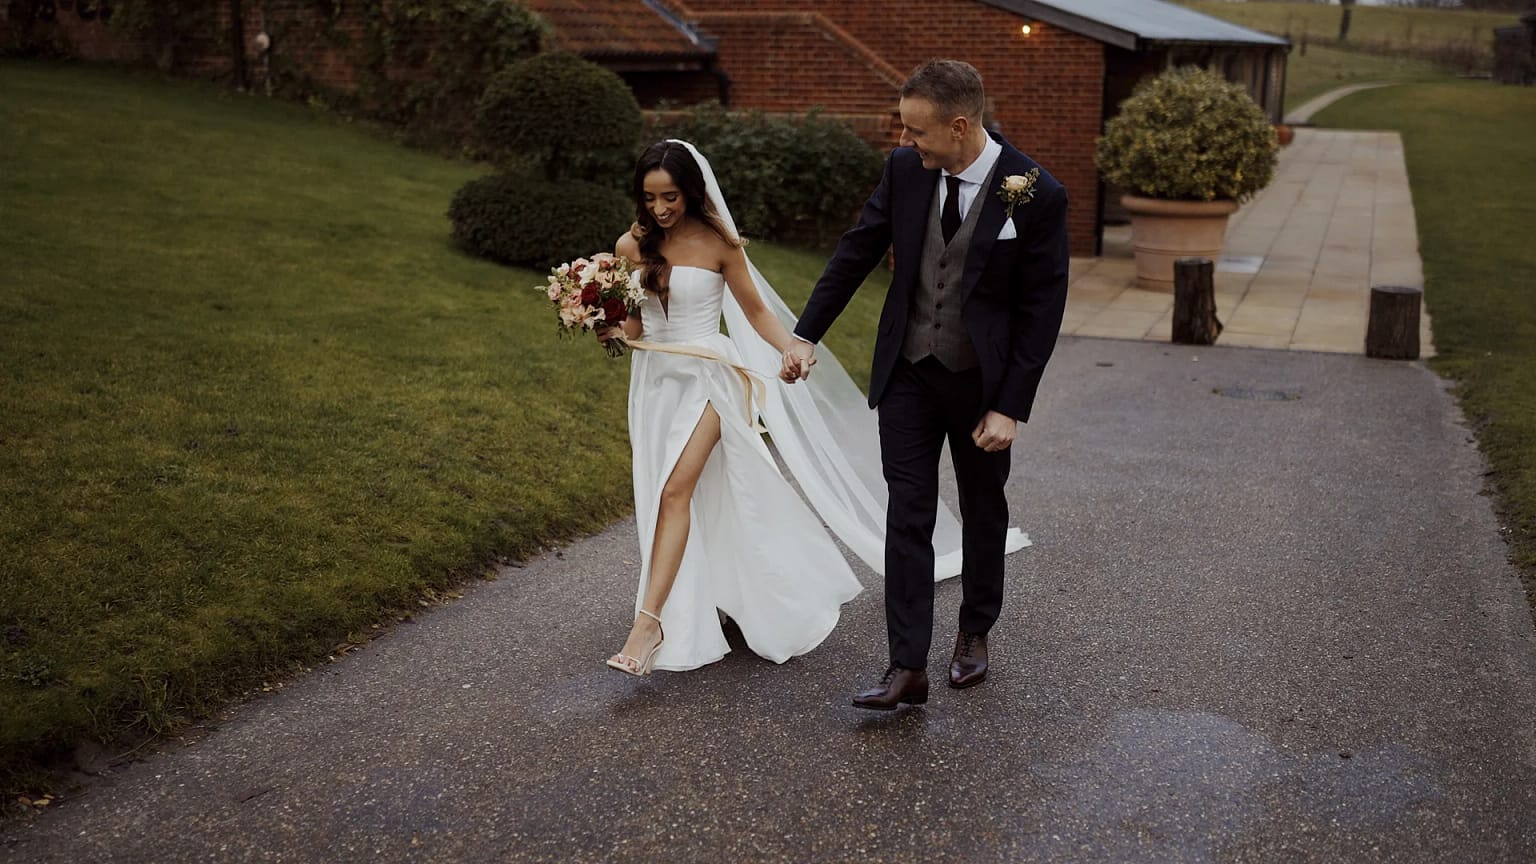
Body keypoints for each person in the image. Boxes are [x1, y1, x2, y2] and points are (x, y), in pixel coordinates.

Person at [783, 60, 1070, 709]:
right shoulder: (905, 172)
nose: (906, 141)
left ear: (960, 126)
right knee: (907, 513)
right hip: (909, 372)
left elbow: (1041, 308)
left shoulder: (1036, 192)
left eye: (917, 131)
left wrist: (1010, 406)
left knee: (982, 508)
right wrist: (806, 334)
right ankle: (906, 664)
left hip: (981, 385)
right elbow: (857, 249)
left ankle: (974, 631)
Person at [599, 140, 862, 675]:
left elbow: (757, 312)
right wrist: (602, 321)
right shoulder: (631, 246)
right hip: (655, 382)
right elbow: (632, 329)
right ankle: (731, 592)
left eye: (670, 196)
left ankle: (648, 626)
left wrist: (790, 346)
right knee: (680, 493)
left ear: (691, 192)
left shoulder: (720, 243)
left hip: (713, 376)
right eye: (650, 198)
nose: (660, 208)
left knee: (675, 489)